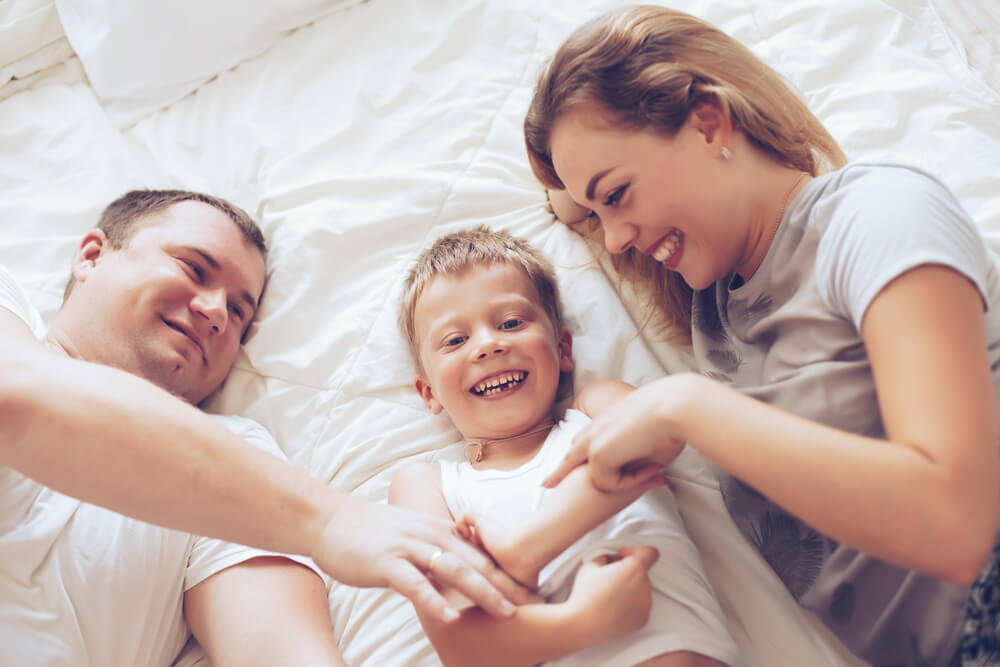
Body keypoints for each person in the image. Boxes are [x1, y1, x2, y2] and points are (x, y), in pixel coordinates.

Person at [523, 5, 1000, 667]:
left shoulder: (876, 217)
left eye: (619, 194)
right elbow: (566, 201)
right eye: (597, 211)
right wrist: (577, 178)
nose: (613, 237)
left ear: (709, 122)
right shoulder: (717, 307)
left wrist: (684, 405)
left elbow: (957, 524)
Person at [0, 190, 536, 667]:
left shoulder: (242, 463)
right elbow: (18, 400)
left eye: (239, 310)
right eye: (192, 268)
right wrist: (331, 520)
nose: (214, 311)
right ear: (92, 256)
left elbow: (284, 651)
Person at [390, 226, 738, 666]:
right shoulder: (427, 486)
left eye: (511, 323)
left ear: (562, 348)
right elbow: (461, 646)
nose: (488, 345)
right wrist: (587, 620)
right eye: (455, 340)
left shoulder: (595, 408)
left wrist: (525, 553)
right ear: (429, 394)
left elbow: (660, 434)